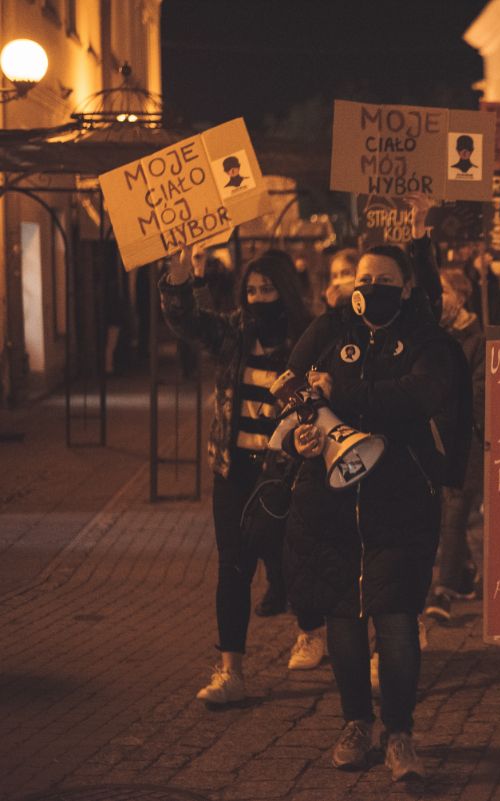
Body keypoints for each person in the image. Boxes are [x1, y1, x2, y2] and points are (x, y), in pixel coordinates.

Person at [283, 245, 467, 781]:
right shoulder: (328, 330)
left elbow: (417, 395)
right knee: (343, 615)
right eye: (365, 278)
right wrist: (300, 435)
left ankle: (400, 733)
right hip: (331, 503)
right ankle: (355, 724)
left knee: (395, 619)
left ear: (406, 288)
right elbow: (293, 388)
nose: (371, 287)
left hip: (400, 498)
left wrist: (344, 392)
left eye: (385, 280)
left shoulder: (428, 341)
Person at [160, 248, 327, 706]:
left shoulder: (306, 337)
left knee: (289, 554)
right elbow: (188, 322)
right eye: (251, 290)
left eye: (267, 289)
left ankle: (312, 628)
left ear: (284, 291)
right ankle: (231, 669)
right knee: (233, 564)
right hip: (233, 468)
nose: (257, 298)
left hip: (285, 470)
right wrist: (178, 278)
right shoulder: (234, 332)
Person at [424, 270, 485, 622]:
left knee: (455, 513)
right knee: (449, 515)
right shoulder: (436, 337)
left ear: (460, 297)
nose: (437, 300)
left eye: (443, 291)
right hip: (436, 439)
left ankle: (442, 592)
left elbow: (476, 394)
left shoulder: (478, 341)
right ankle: (460, 575)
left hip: (465, 441)